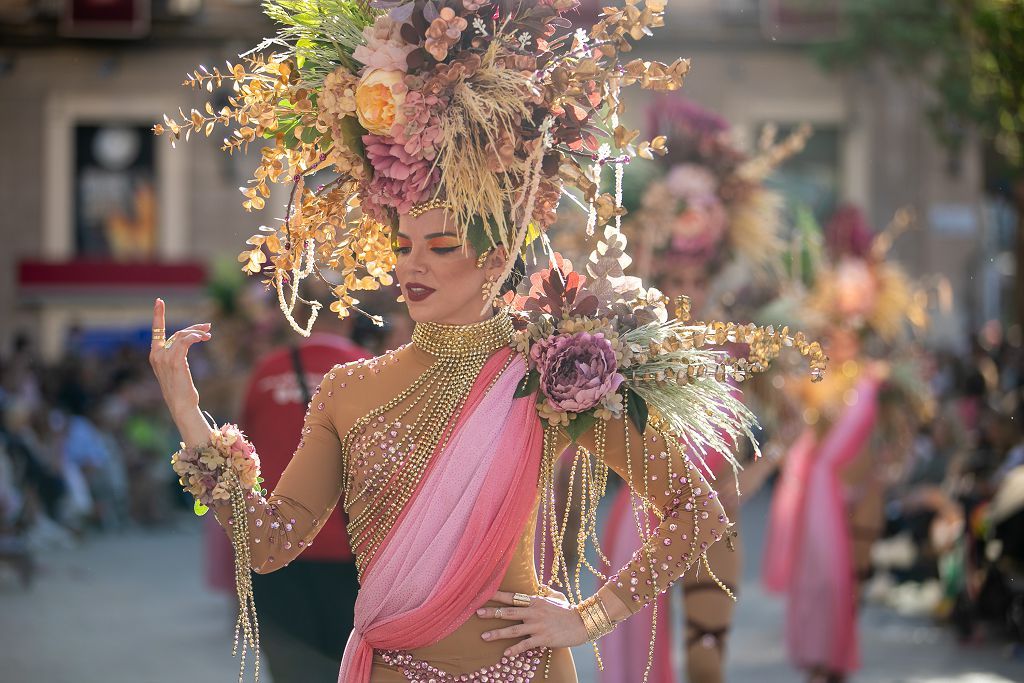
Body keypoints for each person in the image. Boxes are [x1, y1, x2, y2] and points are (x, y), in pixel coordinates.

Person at [149, 3, 823, 681]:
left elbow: (694, 506)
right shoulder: (347, 390)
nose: (413, 266)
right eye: (402, 245)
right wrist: (189, 413)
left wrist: (590, 615)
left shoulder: (554, 374)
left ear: (498, 252)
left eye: (441, 245)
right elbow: (267, 545)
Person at [600, 97, 806, 683]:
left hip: (719, 517)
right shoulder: (630, 337)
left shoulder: (743, 338)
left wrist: (749, 481)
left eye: (696, 279)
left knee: (707, 663)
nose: (685, 288)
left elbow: (793, 423)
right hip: (641, 520)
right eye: (673, 279)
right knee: (636, 670)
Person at [762, 206, 931, 683]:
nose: (843, 339)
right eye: (835, 331)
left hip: (865, 493)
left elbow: (906, 428)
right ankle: (821, 661)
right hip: (822, 496)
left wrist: (893, 461)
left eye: (850, 332)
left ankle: (837, 664)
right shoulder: (812, 380)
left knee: (850, 585)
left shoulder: (883, 381)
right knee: (823, 584)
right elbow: (788, 421)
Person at [241, 328, 370, 682]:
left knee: (290, 667)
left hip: (274, 546)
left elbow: (243, 452)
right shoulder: (369, 368)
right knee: (350, 667)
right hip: (350, 549)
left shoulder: (267, 371)